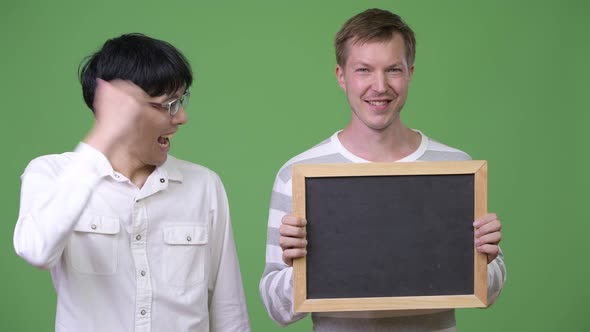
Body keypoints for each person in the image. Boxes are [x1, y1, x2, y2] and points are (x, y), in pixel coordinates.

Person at [259, 9, 506, 332]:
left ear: (410, 73)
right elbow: (277, 311)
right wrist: (303, 270)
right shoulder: (298, 174)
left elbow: (488, 292)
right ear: (341, 75)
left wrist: (484, 259)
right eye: (364, 70)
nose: (380, 86)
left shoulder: (456, 169)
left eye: (393, 70)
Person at [14, 33, 250, 332]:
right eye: (169, 104)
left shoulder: (204, 184)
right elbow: (36, 250)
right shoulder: (52, 173)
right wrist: (104, 135)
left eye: (181, 101)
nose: (182, 117)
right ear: (121, 109)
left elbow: (228, 308)